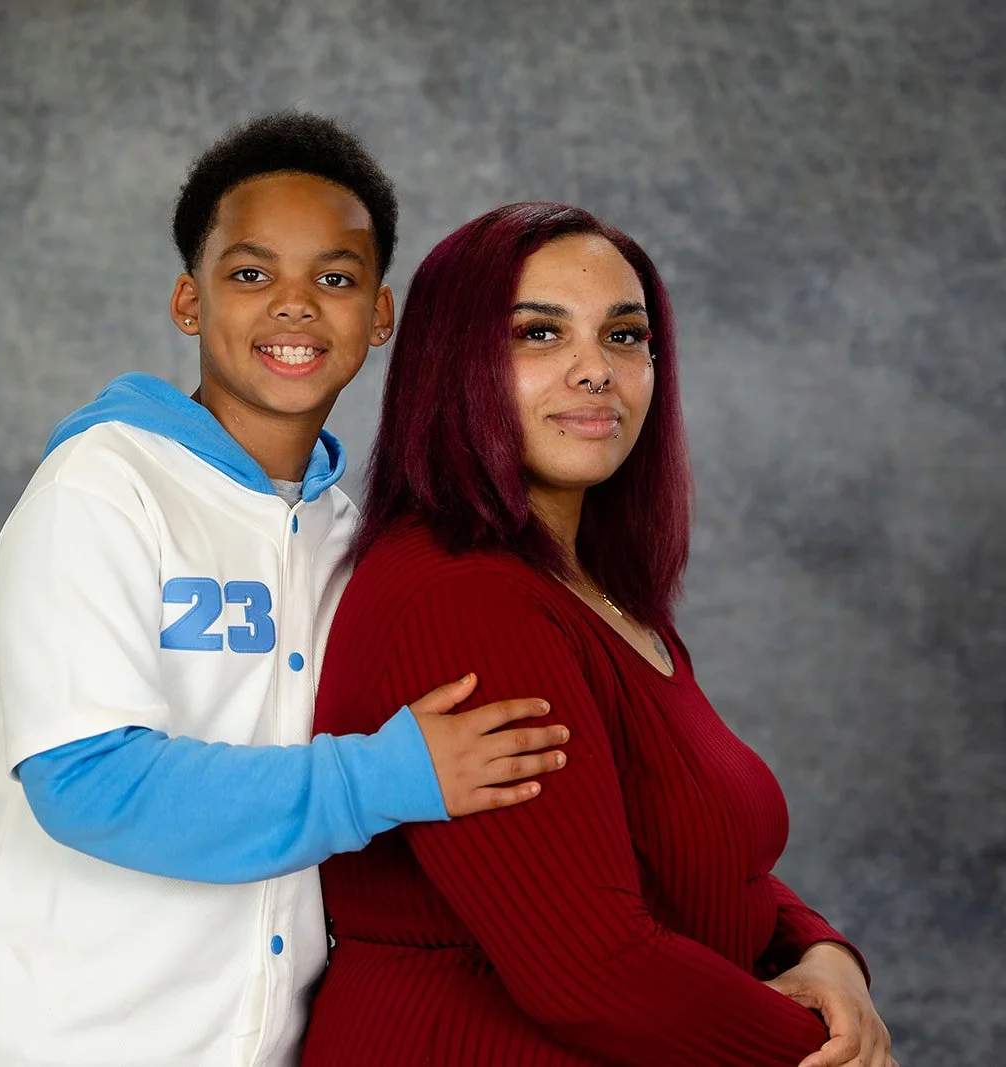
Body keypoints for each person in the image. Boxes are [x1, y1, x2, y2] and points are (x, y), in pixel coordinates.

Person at [0, 115, 570, 1067]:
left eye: (335, 278)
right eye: (252, 273)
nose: (295, 306)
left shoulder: (357, 541)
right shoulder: (103, 485)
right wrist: (386, 777)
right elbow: (89, 783)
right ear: (190, 300)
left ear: (381, 315)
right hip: (54, 1037)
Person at [304, 203, 896, 1067]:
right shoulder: (465, 600)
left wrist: (824, 956)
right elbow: (590, 967)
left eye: (625, 336)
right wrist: (826, 1053)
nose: (595, 371)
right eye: (539, 335)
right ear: (450, 365)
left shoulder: (597, 593)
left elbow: (706, 850)